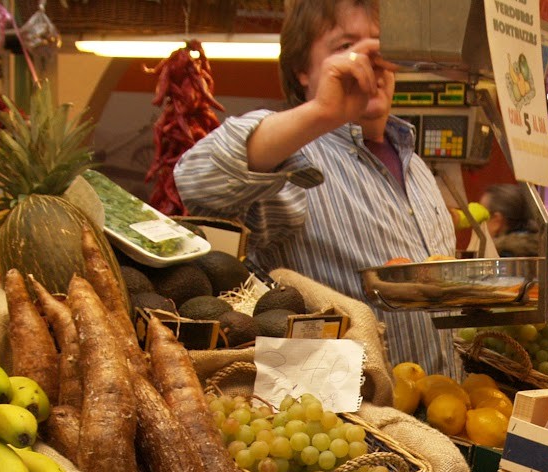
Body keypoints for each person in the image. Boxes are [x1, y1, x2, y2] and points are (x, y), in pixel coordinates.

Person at [173, 0, 461, 375]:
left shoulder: (418, 165)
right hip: (348, 418)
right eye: (345, 47)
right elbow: (195, 179)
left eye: (380, 46)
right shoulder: (295, 159)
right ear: (302, 71)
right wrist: (324, 112)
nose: (368, 61)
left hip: (441, 408)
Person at [480, 184, 544, 257]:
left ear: (496, 221)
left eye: (482, 217)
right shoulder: (546, 250)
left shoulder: (499, 257)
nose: (477, 225)